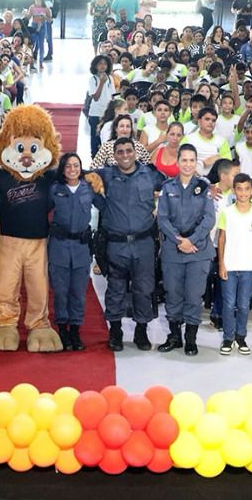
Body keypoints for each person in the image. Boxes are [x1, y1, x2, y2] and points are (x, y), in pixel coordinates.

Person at [96, 137, 165, 352]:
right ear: (114, 155)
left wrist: (207, 186)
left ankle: (141, 330)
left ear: (135, 152)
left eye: (128, 151)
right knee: (115, 288)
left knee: (144, 289)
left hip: (143, 242)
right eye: (120, 152)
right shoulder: (105, 175)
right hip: (116, 243)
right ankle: (115, 330)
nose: (125, 155)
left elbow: (175, 185)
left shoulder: (150, 174)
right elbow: (77, 177)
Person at [48, 153, 94, 351]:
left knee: (78, 292)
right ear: (62, 169)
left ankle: (75, 330)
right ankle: (62, 330)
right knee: (60, 291)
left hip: (81, 248)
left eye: (76, 165)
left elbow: (104, 205)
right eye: (68, 166)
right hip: (59, 246)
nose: (72, 169)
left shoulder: (89, 188)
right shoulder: (54, 190)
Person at [216, 172, 252, 355]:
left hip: (248, 267)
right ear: (234, 191)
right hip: (229, 265)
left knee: (244, 304)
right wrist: (221, 263)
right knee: (229, 304)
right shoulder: (227, 212)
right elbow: (221, 239)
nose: (243, 193)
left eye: (247, 189)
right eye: (239, 189)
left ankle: (241, 336)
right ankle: (228, 338)